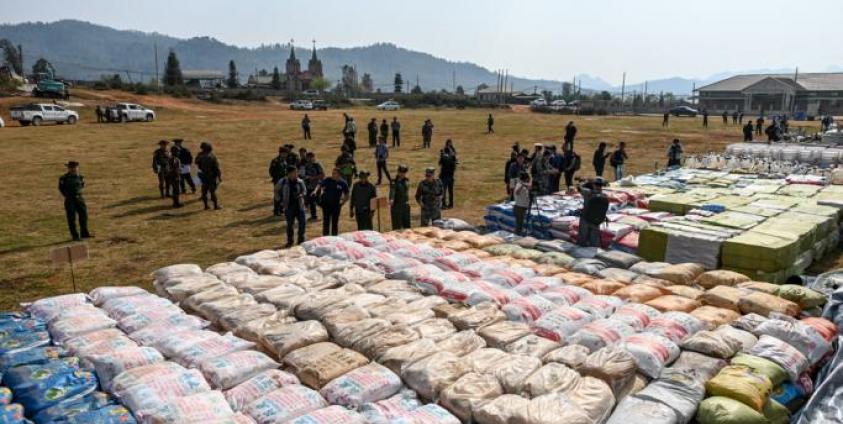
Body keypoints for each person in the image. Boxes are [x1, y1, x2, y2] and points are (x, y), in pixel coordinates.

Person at [59, 161, 92, 241]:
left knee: (83, 216)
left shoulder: (80, 177)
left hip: (79, 198)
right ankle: (75, 236)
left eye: (76, 167)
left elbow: (82, 186)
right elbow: (61, 188)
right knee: (71, 218)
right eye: (72, 168)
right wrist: (68, 196)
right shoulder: (64, 178)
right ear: (69, 168)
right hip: (70, 200)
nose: (74, 169)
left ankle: (84, 233)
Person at [275, 165, 307, 247]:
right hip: (289, 207)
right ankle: (290, 241)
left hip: (300, 206)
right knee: (290, 225)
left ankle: (301, 240)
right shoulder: (282, 182)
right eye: (295, 172)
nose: (297, 173)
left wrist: (301, 195)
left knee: (302, 223)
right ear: (289, 173)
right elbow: (276, 190)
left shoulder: (300, 181)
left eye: (297, 172)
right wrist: (280, 201)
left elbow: (304, 191)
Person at [314, 168, 349, 236]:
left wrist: (342, 203)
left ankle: (334, 237)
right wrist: (315, 191)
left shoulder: (343, 183)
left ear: (339, 174)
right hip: (326, 205)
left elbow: (347, 194)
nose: (333, 175)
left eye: (334, 173)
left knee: (334, 223)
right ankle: (325, 237)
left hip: (336, 206)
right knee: (326, 222)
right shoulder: (328, 180)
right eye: (332, 173)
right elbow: (320, 185)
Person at [577, 177, 609, 247]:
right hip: (596, 220)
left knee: (582, 238)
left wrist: (584, 182)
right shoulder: (604, 196)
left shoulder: (587, 192)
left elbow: (579, 187)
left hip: (585, 218)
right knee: (594, 239)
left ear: (594, 185)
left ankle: (581, 251)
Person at [195, 141, 222, 210]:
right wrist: (219, 177)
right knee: (212, 191)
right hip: (211, 176)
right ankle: (215, 206)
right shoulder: (212, 156)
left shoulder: (200, 155)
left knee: (204, 191)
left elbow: (196, 162)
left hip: (203, 175)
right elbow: (217, 168)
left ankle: (206, 206)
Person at [269, 146, 290, 216]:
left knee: (283, 194)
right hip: (278, 180)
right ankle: (276, 210)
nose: (286, 155)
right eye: (285, 153)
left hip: (284, 179)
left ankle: (281, 209)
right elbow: (271, 171)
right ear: (281, 153)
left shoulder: (284, 160)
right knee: (277, 195)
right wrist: (276, 178)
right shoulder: (275, 161)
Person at [303, 152, 324, 221]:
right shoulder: (306, 166)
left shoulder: (317, 165)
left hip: (316, 186)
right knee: (311, 201)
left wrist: (313, 177)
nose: (309, 159)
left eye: (310, 158)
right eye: (308, 158)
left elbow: (322, 175)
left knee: (317, 201)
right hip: (309, 186)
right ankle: (314, 216)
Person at [390, 165, 411, 230]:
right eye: (401, 172)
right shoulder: (394, 182)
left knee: (407, 227)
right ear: (398, 172)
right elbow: (392, 191)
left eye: (404, 172)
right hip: (397, 206)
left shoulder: (406, 181)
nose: (402, 174)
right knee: (397, 227)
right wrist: (391, 199)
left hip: (405, 206)